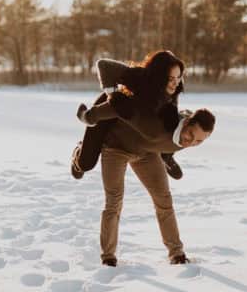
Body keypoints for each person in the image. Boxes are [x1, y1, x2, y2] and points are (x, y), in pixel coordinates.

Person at [94, 106, 216, 266]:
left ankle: (177, 254)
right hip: (116, 147)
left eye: (198, 141)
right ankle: (108, 257)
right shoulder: (166, 124)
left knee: (164, 199)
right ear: (185, 123)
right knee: (114, 201)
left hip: (146, 151)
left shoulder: (185, 135)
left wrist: (167, 156)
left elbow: (177, 135)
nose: (191, 142)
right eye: (191, 135)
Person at [71, 50, 186, 180]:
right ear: (157, 76)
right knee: (86, 164)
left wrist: (167, 152)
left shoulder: (174, 88)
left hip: (132, 115)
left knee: (171, 123)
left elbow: (169, 127)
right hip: (114, 107)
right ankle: (79, 154)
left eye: (179, 77)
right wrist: (113, 96)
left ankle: (167, 158)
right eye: (171, 79)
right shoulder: (139, 77)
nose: (176, 83)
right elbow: (103, 64)